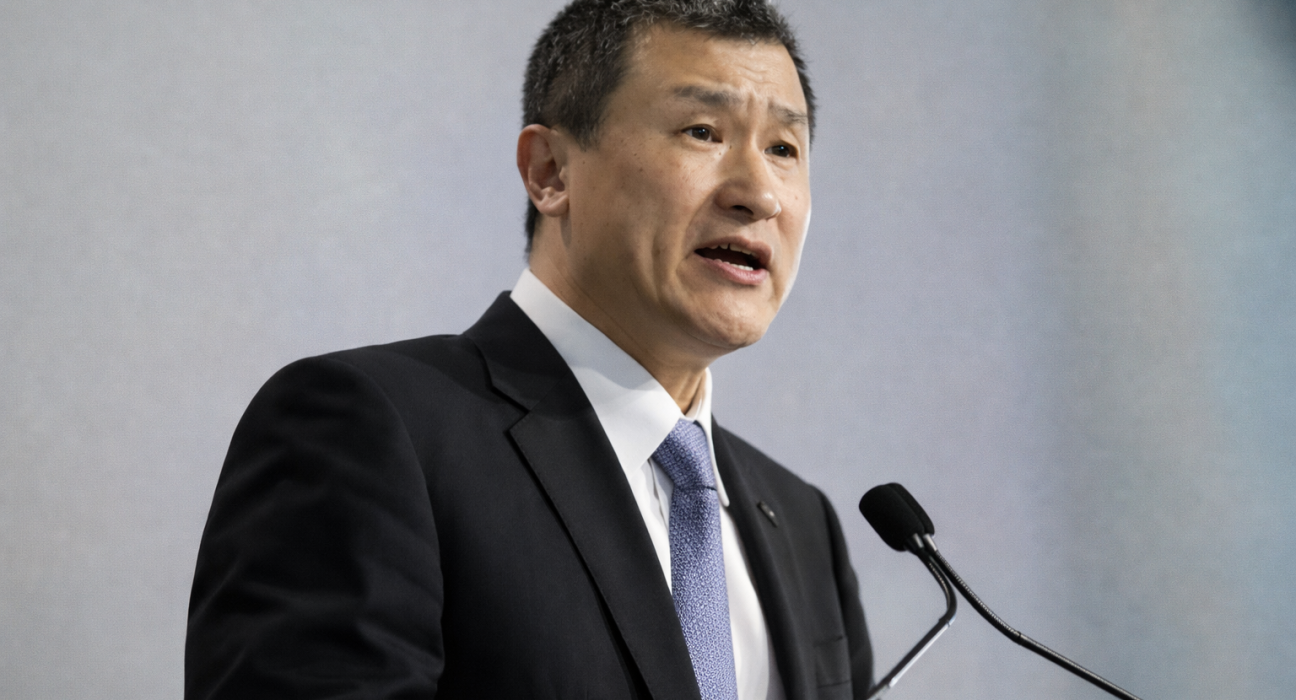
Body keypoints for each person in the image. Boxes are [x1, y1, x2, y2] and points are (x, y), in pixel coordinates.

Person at [185, 1, 872, 698]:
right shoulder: (369, 432)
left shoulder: (803, 525)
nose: (760, 194)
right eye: (703, 132)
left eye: (784, 149)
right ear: (550, 172)